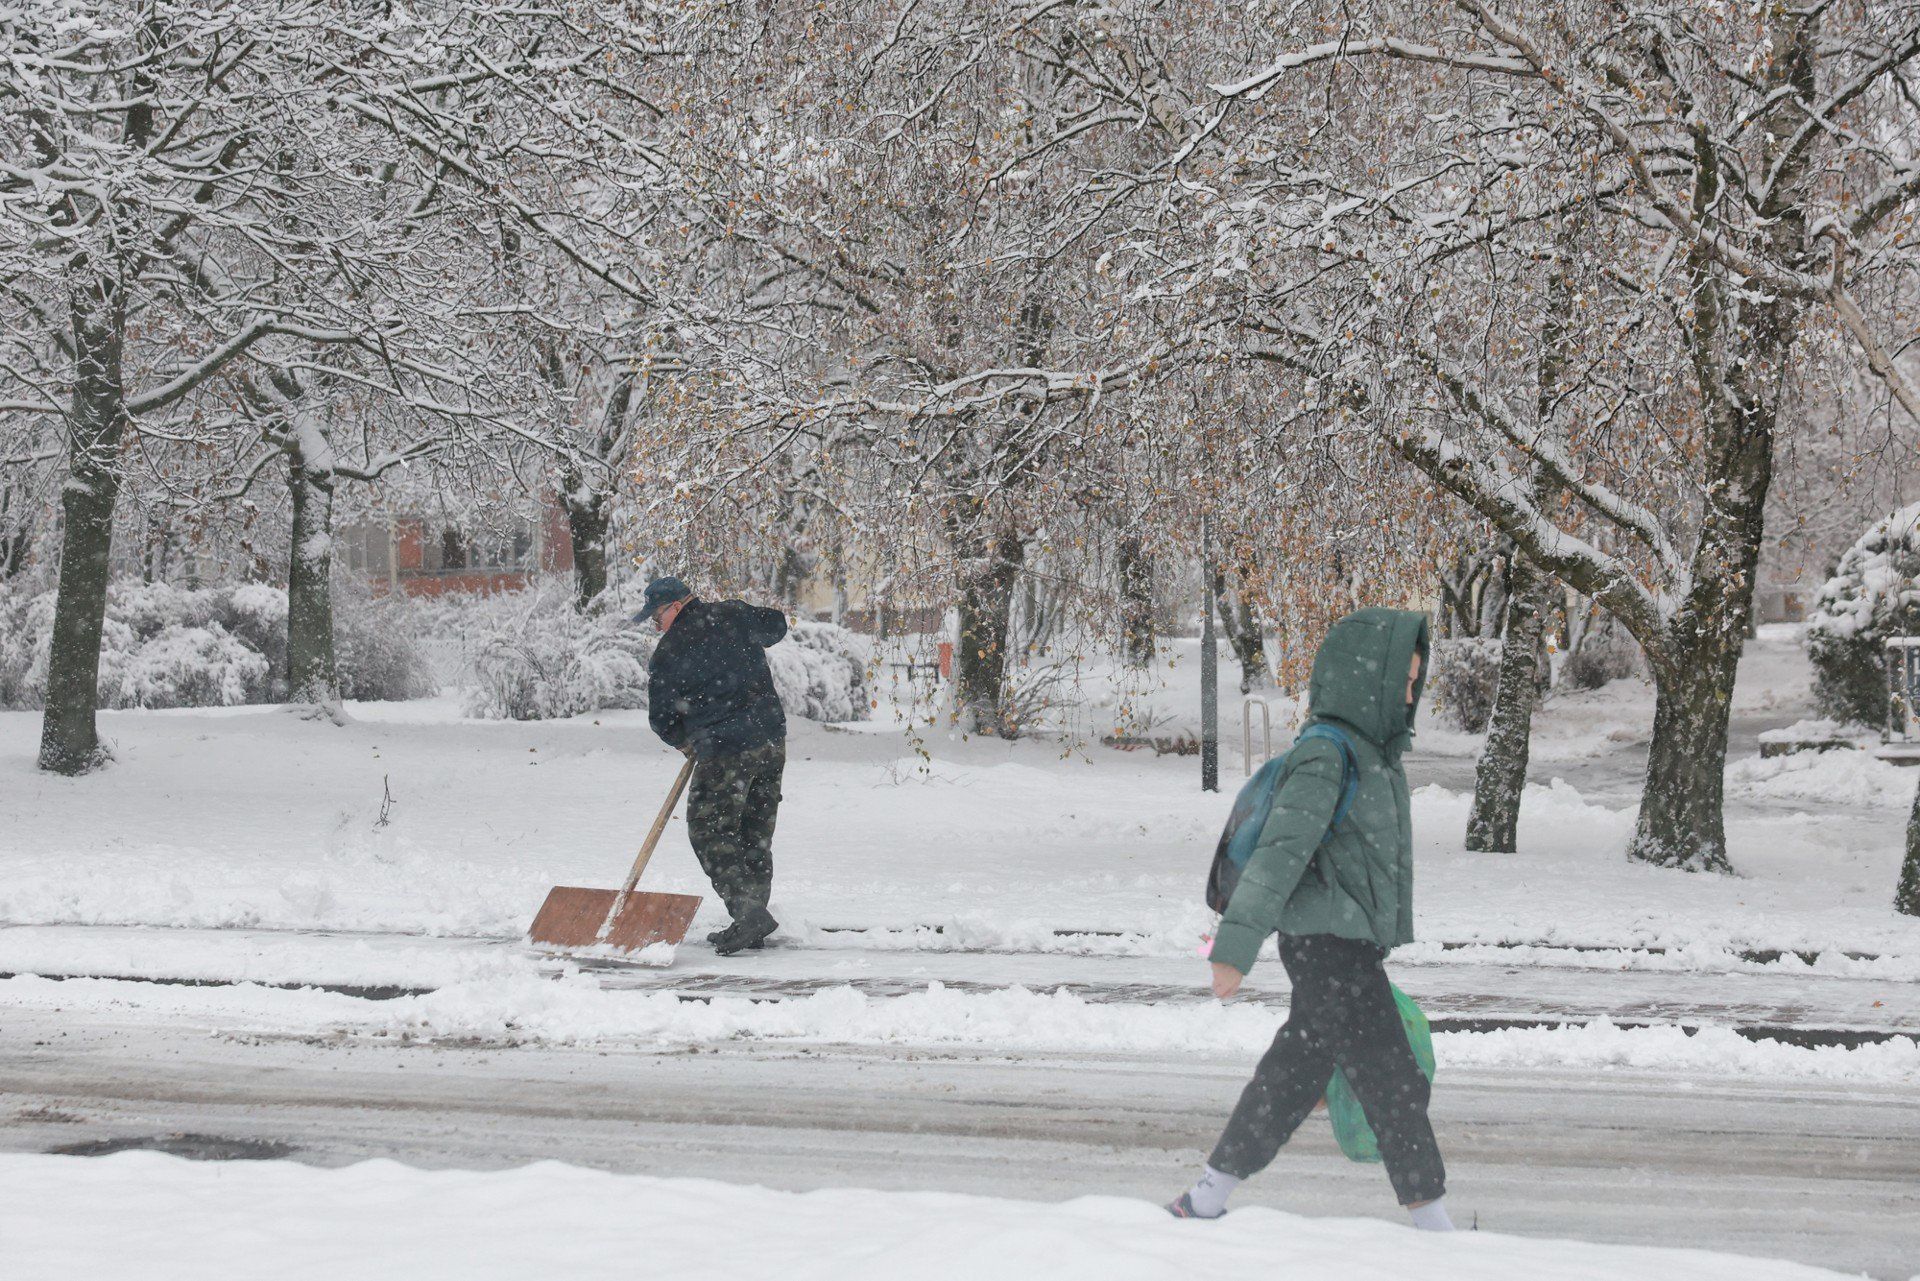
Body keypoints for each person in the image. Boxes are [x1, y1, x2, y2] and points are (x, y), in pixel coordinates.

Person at [1169, 607, 1451, 1231]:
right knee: (1391, 1077)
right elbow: (1280, 853)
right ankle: (1438, 1233)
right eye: (1402, 683)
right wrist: (1233, 949)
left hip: (1344, 945)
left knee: (1296, 1073)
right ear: (1367, 682)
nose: (1410, 695)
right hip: (1326, 946)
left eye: (1414, 682)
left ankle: (1206, 1197)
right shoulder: (1328, 753)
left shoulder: (1374, 753)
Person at [637, 576, 789, 956]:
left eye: (657, 617)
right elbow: (776, 624)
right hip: (769, 739)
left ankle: (749, 914)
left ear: (676, 605)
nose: (657, 626)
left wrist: (687, 742)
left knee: (709, 830)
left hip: (724, 749)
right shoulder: (733, 614)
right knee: (753, 830)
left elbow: (662, 720)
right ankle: (750, 919)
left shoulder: (669, 652)